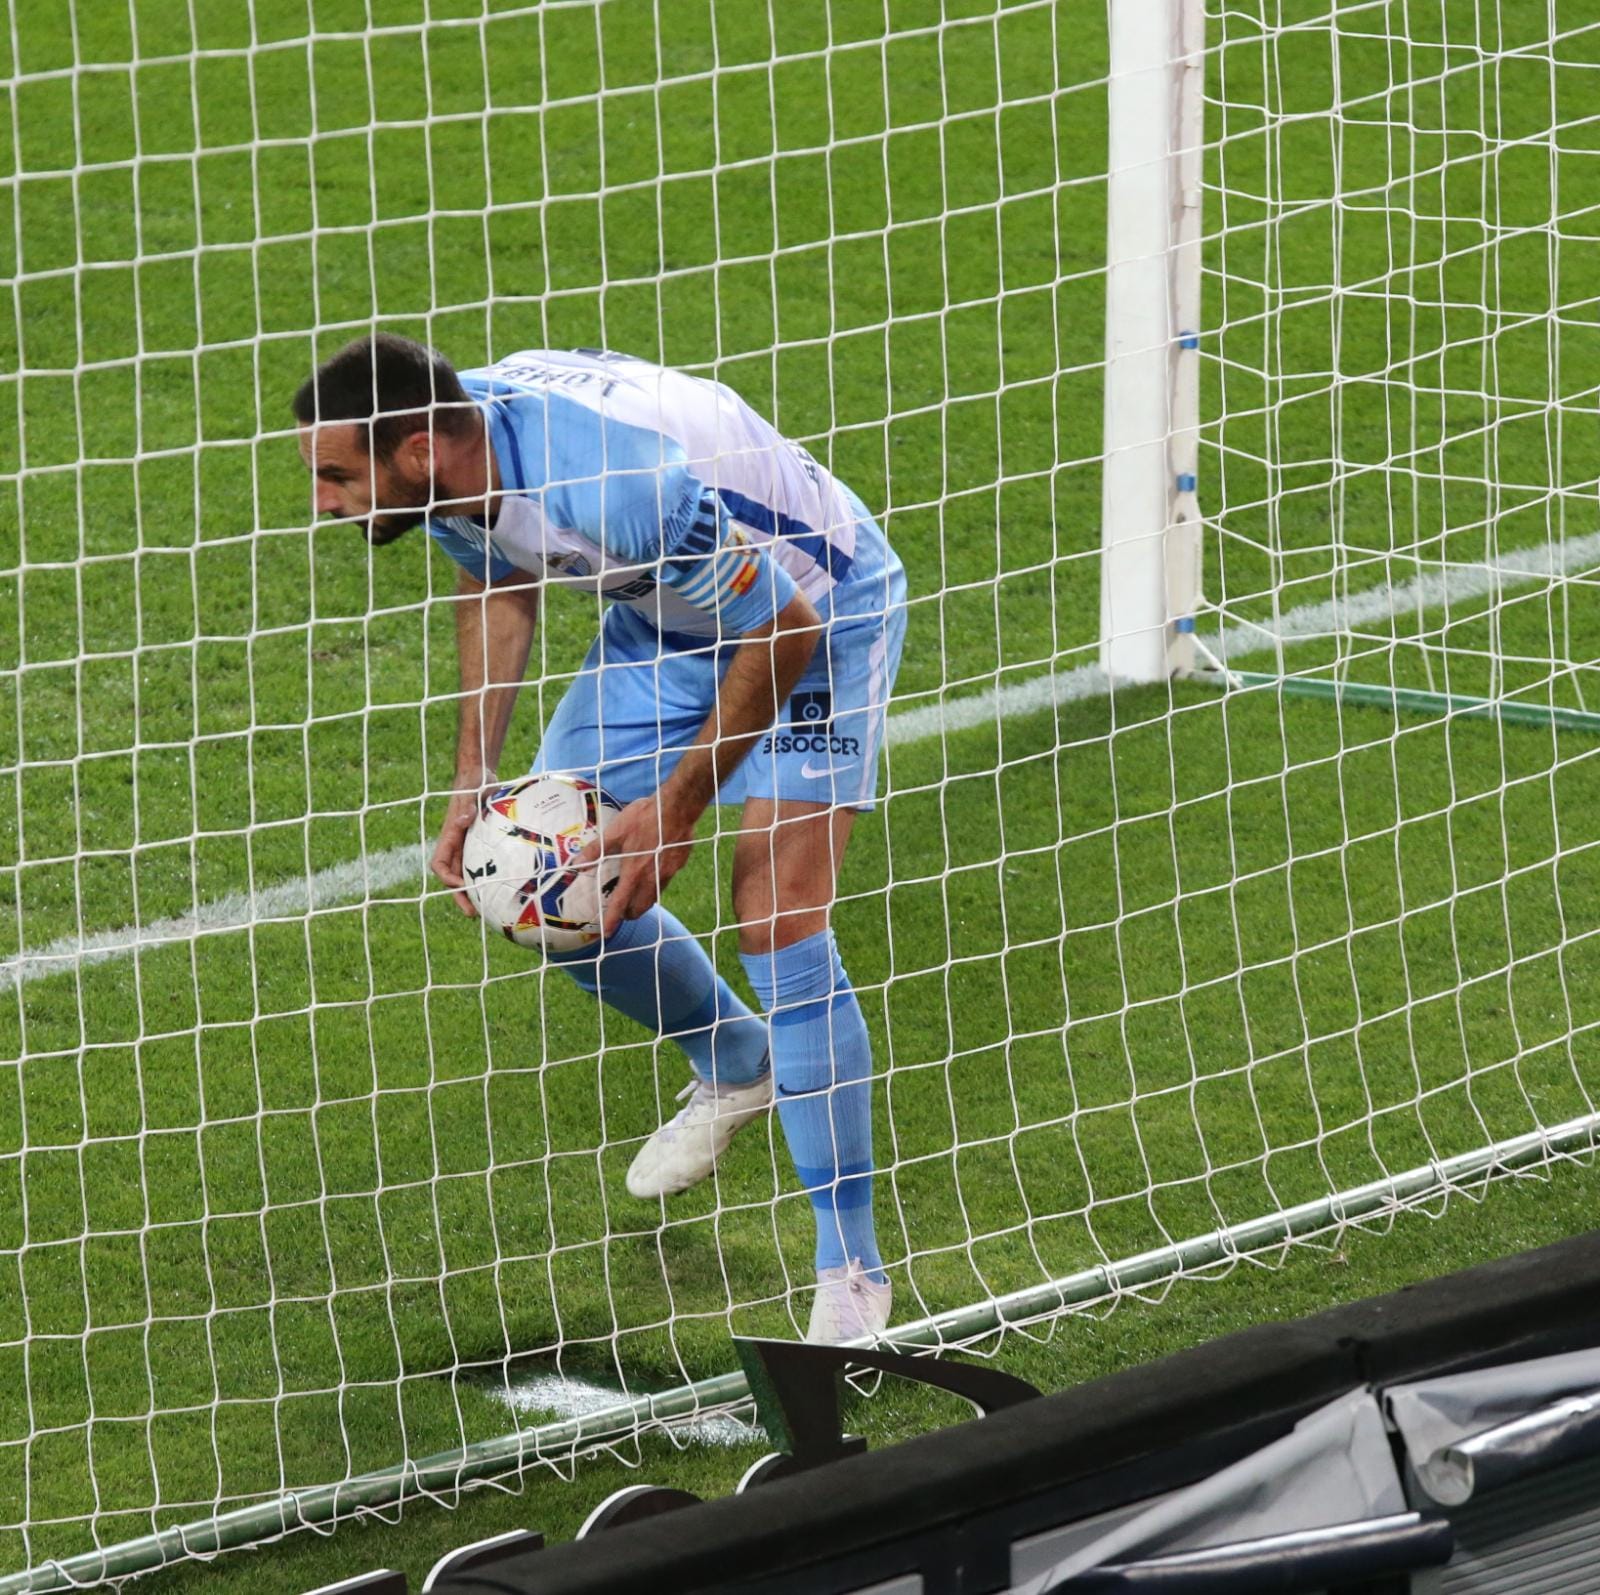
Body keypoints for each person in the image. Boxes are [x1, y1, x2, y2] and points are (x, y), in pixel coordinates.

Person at [293, 336, 906, 1344]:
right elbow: (499, 584)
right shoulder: (459, 452)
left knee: (777, 918)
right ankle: (734, 1060)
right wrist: (472, 780)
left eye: (336, 475)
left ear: (415, 451)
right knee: (532, 879)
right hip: (662, 623)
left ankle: (850, 1270)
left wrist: (676, 806)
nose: (322, 501)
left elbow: (783, 629)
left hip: (820, 611)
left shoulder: (615, 480)